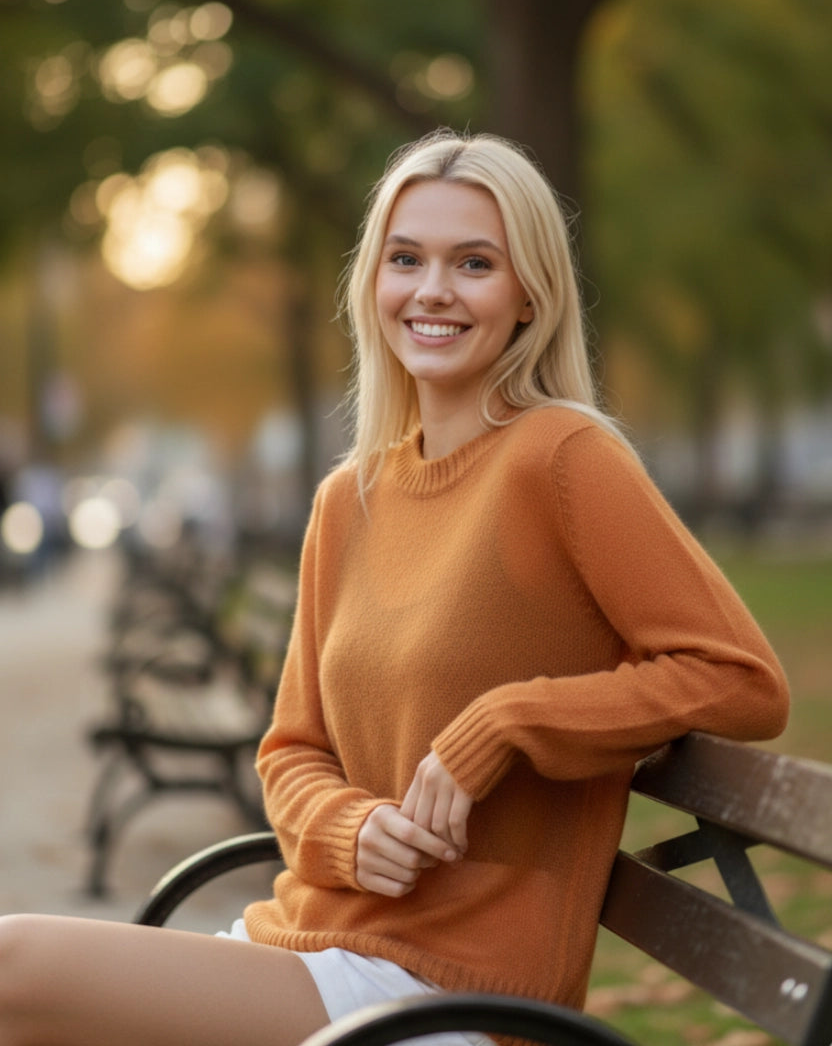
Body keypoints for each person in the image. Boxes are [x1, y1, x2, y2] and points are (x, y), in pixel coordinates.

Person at [0, 130, 789, 1046]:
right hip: (311, 952)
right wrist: (349, 828)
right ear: (373, 283)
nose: (433, 290)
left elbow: (740, 679)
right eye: (405, 258)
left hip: (447, 994)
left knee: (14, 970)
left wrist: (508, 724)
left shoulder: (563, 458)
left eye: (474, 262)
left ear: (529, 292)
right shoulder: (350, 497)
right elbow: (291, 749)